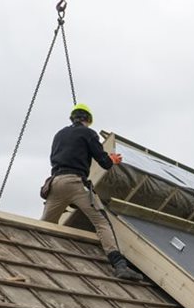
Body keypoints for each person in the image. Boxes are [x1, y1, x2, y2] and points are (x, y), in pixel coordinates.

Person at [41, 103, 142, 281]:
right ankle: (119, 265)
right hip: (75, 183)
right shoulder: (88, 133)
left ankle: (39, 256)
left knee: (45, 225)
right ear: (88, 120)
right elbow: (103, 161)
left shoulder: (59, 134)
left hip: (55, 183)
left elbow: (56, 157)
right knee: (102, 222)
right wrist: (111, 160)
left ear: (73, 117)